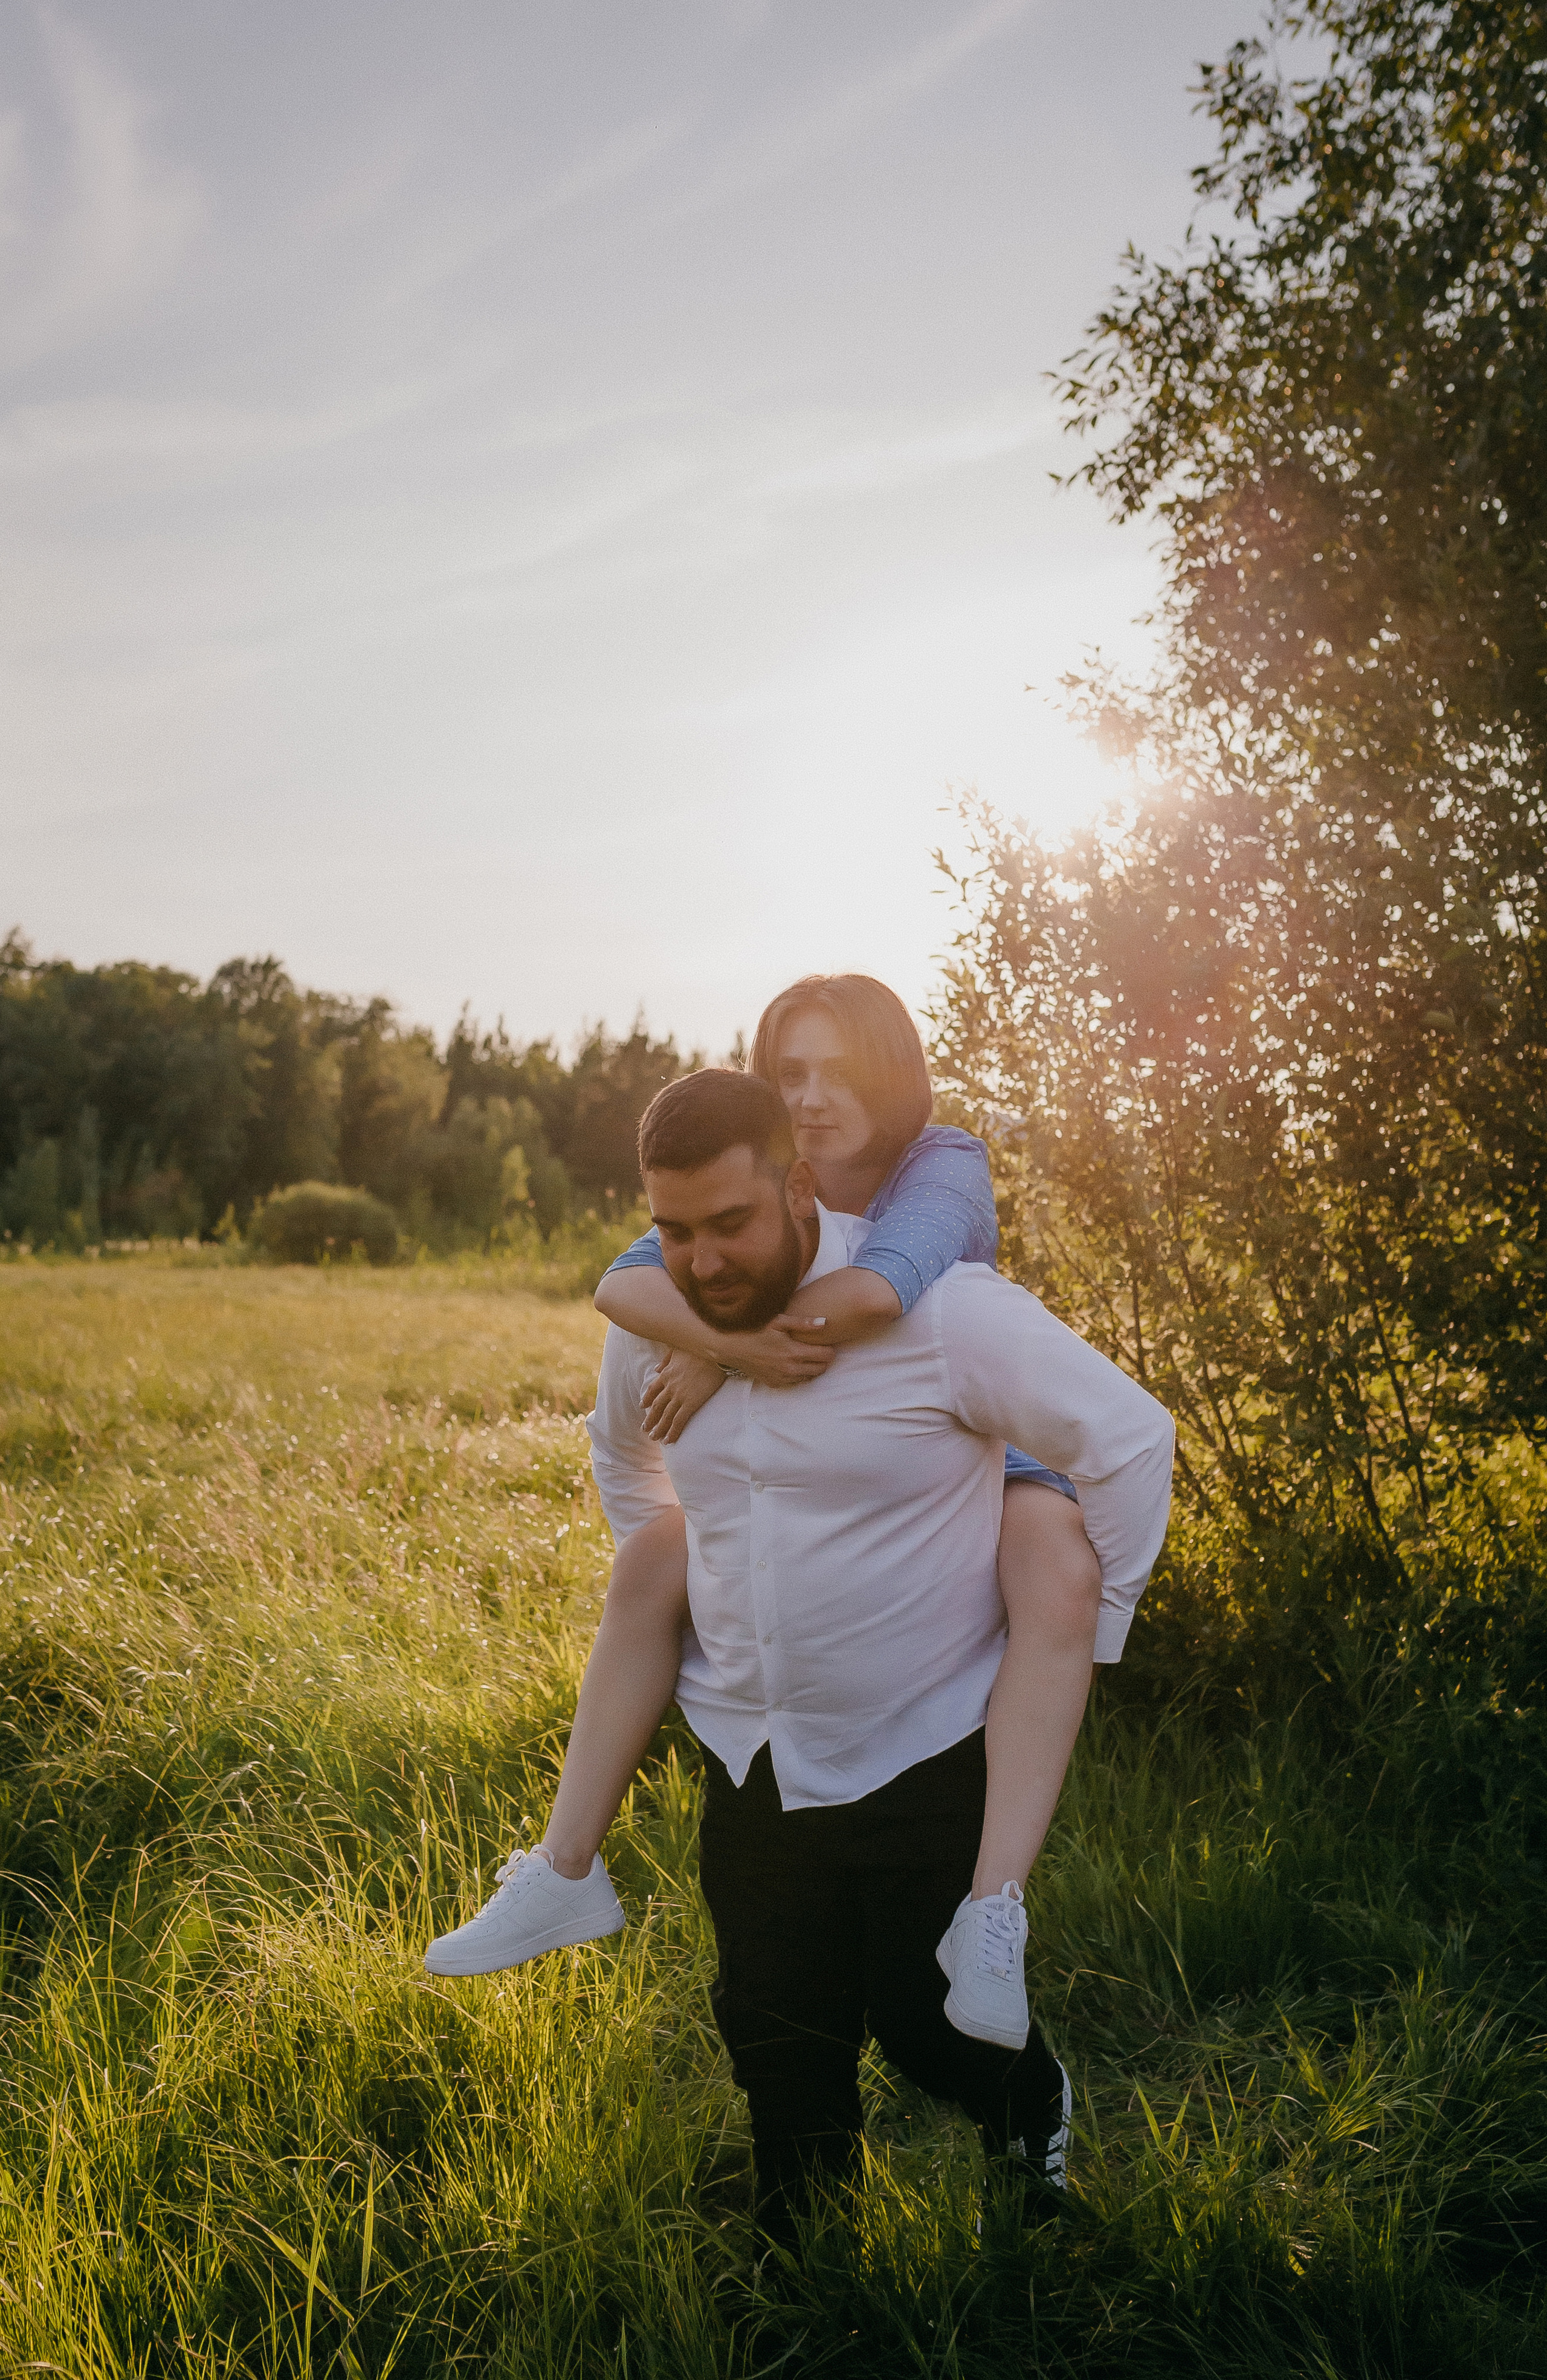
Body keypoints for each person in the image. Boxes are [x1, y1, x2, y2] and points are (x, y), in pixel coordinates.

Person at [509, 1068, 1172, 2240]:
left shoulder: (944, 1313)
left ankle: (1030, 2121)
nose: (702, 1260)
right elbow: (623, 1462)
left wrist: (1078, 1626)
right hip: (749, 1745)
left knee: (929, 2022)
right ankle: (806, 2257)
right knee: (772, 2024)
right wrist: (673, 1580)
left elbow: (1126, 1438)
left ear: (797, 1181)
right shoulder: (661, 1318)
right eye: (673, 1231)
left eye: (730, 1224)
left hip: (921, 1745)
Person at [425, 978, 1106, 2054]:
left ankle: (994, 1908)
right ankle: (563, 1869)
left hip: (974, 1432)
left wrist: (724, 1345)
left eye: (841, 1071)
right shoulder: (736, 1179)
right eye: (790, 1074)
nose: (815, 1096)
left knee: (1057, 1572)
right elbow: (625, 1281)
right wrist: (716, 1342)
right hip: (813, 1435)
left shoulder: (944, 1165)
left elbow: (881, 1287)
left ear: (894, 1073)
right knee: (654, 1560)